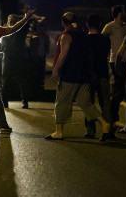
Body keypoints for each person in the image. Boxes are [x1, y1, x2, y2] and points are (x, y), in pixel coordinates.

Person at [47, 12, 112, 141]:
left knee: (62, 102)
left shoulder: (66, 36)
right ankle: (105, 124)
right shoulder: (84, 35)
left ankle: (58, 132)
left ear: (63, 22)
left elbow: (63, 54)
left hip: (70, 75)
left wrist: (56, 71)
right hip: (85, 75)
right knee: (86, 104)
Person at [102, 4, 126, 130]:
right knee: (119, 90)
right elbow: (102, 40)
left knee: (118, 90)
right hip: (115, 61)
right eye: (124, 11)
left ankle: (111, 116)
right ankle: (113, 117)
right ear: (119, 13)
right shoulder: (110, 27)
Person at [84, 14, 113, 139]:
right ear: (100, 25)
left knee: (88, 103)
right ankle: (108, 131)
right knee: (105, 103)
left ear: (87, 25)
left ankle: (90, 131)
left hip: (88, 75)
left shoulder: (84, 39)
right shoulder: (105, 39)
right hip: (102, 73)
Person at [0, 14, 31, 109]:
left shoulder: (21, 31)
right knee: (5, 82)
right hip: (8, 60)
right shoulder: (5, 33)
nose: (11, 23)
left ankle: (25, 101)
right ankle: (5, 103)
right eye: (10, 21)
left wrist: (26, 15)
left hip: (18, 59)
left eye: (13, 21)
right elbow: (0, 48)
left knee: (22, 81)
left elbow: (26, 23)